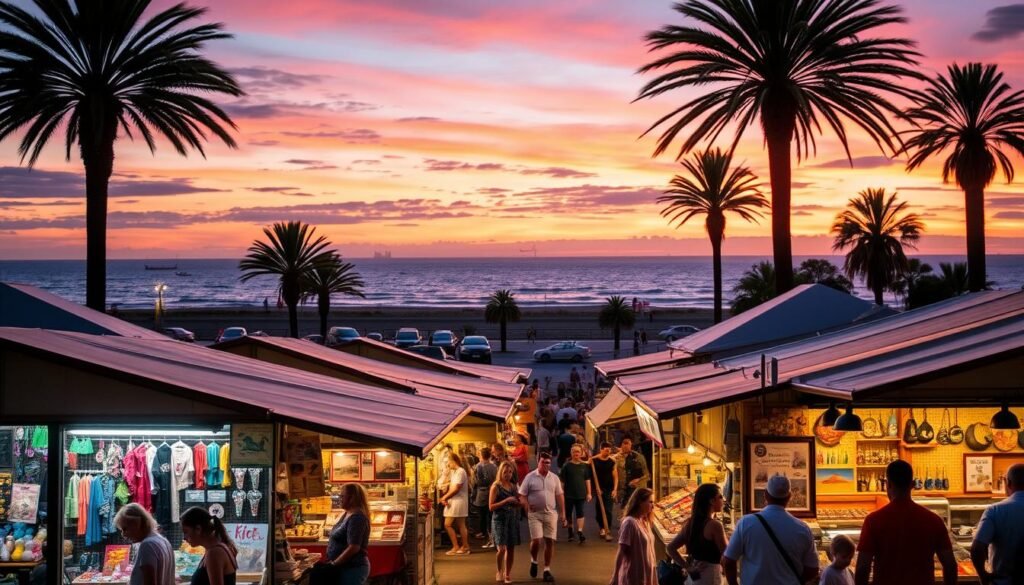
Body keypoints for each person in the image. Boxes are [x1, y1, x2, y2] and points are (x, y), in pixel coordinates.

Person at [856, 460, 956, 585]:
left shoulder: (873, 520)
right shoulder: (933, 520)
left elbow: (862, 567)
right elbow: (950, 564)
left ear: (888, 485)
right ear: (912, 484)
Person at [722, 475, 818, 585]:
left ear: (766, 495)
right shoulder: (803, 529)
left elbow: (728, 561)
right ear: (789, 497)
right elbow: (813, 569)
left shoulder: (746, 523)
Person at [971, 463, 1024, 585]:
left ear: (1008, 483)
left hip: (1003, 581)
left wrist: (983, 575)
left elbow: (977, 548)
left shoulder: (995, 510)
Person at [519, 451, 566, 583]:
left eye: (548, 462)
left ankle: (546, 569)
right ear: (538, 462)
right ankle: (534, 561)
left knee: (550, 540)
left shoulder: (554, 478)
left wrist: (563, 513)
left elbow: (560, 495)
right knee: (537, 540)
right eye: (543, 462)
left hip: (551, 513)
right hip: (535, 514)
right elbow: (522, 494)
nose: (545, 464)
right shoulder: (530, 477)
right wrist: (526, 505)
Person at [667, 483, 727, 585]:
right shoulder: (715, 525)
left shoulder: (691, 523)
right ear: (712, 501)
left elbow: (670, 548)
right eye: (720, 497)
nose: (723, 500)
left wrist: (688, 567)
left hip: (694, 577)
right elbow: (727, 554)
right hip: (710, 576)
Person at [114, 503, 174, 585]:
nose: (123, 534)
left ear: (136, 525)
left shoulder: (148, 545)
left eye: (125, 529)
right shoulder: (164, 541)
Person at [609, 487, 658, 585]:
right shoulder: (630, 523)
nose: (653, 506)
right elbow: (621, 551)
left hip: (647, 575)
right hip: (633, 576)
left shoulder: (645, 522)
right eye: (650, 502)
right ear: (640, 502)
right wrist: (615, 576)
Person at [180, 506, 239, 585]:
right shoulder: (216, 548)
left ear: (198, 529)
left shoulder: (214, 553)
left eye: (186, 532)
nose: (184, 538)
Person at [490, 462, 521, 584]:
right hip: (499, 520)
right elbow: (491, 507)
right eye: (505, 472)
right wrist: (506, 500)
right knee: (501, 549)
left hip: (512, 519)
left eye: (510, 472)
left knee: (511, 548)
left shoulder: (513, 487)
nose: (508, 475)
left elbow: (518, 502)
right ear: (500, 472)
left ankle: (507, 574)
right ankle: (499, 570)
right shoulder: (496, 487)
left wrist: (521, 504)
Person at [559, 445, 592, 544]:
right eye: (574, 452)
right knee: (569, 513)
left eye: (578, 452)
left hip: (581, 494)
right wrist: (561, 492)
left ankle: (580, 532)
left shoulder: (584, 466)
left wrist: (589, 493)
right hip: (568, 494)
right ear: (571, 453)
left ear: (581, 453)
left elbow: (587, 480)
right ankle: (570, 531)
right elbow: (562, 482)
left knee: (580, 513)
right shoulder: (566, 466)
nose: (576, 454)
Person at [440, 452, 471, 556]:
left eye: (448, 462)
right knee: (460, 525)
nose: (448, 464)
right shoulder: (456, 472)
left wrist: (445, 497)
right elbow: (453, 486)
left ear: (454, 461)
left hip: (458, 501)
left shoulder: (460, 472)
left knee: (448, 524)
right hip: (456, 501)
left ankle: (458, 546)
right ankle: (463, 546)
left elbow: (456, 488)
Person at [591, 442, 618, 541]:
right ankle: (602, 527)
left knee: (608, 509)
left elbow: (615, 476)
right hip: (598, 488)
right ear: (601, 449)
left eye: (609, 450)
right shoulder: (594, 460)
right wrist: (594, 488)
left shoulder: (612, 461)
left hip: (609, 488)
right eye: (606, 450)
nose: (608, 452)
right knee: (599, 509)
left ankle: (608, 529)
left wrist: (615, 489)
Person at [473, 448, 498, 548]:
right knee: (491, 515)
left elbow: (477, 481)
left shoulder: (478, 467)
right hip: (492, 491)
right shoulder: (494, 466)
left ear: (481, 455)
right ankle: (491, 536)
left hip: (482, 493)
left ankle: (486, 535)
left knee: (483, 515)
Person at [617, 438, 650, 507]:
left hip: (634, 489)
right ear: (621, 446)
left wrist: (638, 481)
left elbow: (646, 475)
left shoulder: (638, 457)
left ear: (631, 446)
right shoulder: (617, 458)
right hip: (621, 490)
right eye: (624, 445)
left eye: (627, 445)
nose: (625, 448)